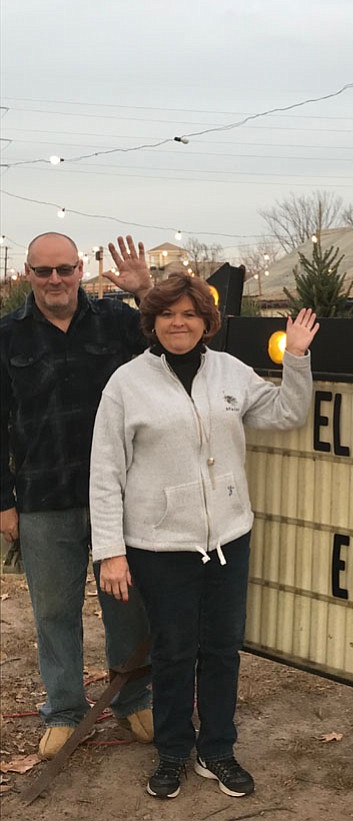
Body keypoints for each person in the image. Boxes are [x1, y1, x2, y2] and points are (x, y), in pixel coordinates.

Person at [89, 274, 318, 800]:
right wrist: (111, 552)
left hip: (228, 539)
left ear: (206, 321)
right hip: (160, 546)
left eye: (190, 314)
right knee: (172, 651)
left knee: (221, 649)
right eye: (168, 314)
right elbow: (105, 472)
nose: (179, 323)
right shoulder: (127, 384)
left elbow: (287, 413)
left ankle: (217, 748)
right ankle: (172, 750)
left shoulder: (230, 372)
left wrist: (297, 358)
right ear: (153, 321)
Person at [0, 232, 154, 759]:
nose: (56, 280)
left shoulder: (118, 322)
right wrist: (4, 502)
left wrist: (146, 292)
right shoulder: (6, 336)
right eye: (43, 272)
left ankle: (132, 695)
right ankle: (65, 710)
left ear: (81, 269)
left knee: (127, 605)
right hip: (44, 497)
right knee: (54, 610)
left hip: (119, 496)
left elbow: (175, 349)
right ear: (27, 274)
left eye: (64, 269)